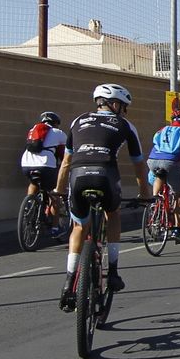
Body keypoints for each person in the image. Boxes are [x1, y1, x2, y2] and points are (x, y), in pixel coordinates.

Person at [54, 84, 147, 310]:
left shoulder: (78, 121)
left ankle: (68, 282)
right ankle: (113, 272)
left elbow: (66, 162)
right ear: (114, 104)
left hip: (77, 176)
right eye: (123, 106)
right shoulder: (125, 125)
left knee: (79, 227)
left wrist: (59, 190)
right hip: (105, 175)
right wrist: (145, 193)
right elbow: (138, 164)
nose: (124, 111)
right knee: (113, 213)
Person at [20, 111, 67, 231]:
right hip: (46, 166)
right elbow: (64, 156)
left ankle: (29, 205)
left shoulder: (33, 130)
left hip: (26, 164)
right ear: (55, 123)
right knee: (55, 194)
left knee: (33, 183)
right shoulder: (58, 133)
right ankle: (55, 228)